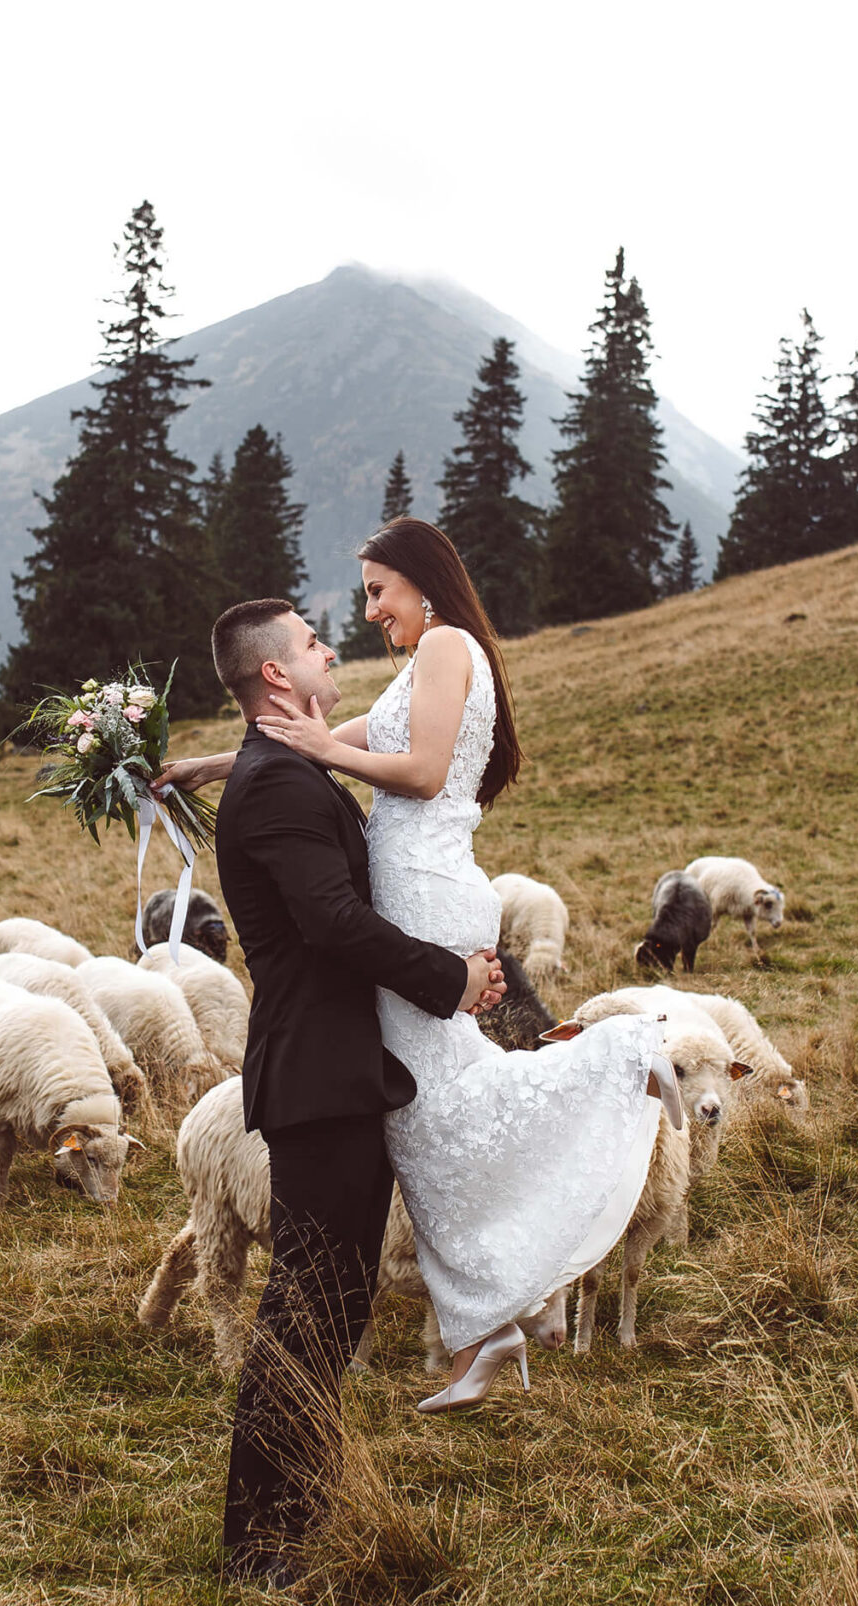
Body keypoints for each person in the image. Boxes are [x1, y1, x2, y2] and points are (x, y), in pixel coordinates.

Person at [163, 518, 675, 1433]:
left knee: (436, 1105)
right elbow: (354, 730)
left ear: (420, 581)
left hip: (424, 894)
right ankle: (485, 1321)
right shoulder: (431, 658)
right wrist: (217, 761)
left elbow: (426, 769)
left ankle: (619, 1057)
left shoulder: (444, 642)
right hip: (422, 890)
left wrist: (321, 753)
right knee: (434, 1105)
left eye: (375, 590)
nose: (367, 612)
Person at [198, 595, 507, 1585]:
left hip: (336, 1068)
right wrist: (447, 979)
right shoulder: (280, 784)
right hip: (318, 1072)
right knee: (308, 1303)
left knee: (328, 1303)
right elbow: (332, 923)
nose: (334, 647)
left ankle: (297, 1505)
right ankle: (262, 1545)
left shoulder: (285, 766)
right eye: (315, 641)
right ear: (276, 675)